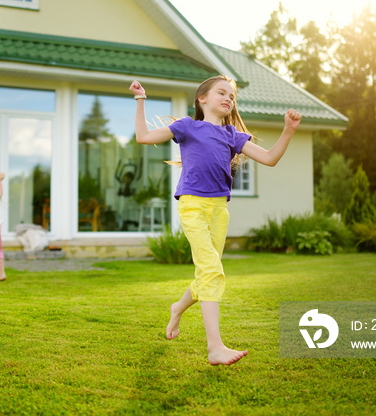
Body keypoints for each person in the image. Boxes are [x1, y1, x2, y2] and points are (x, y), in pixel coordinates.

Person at [129, 75, 302, 366]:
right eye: (222, 93)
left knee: (206, 273)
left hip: (219, 210)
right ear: (202, 99)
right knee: (211, 271)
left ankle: (177, 308)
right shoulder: (187, 126)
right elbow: (144, 136)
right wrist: (140, 99)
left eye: (232, 96)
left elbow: (270, 158)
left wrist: (288, 130)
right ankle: (215, 347)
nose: (228, 99)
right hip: (192, 206)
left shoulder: (232, 135)